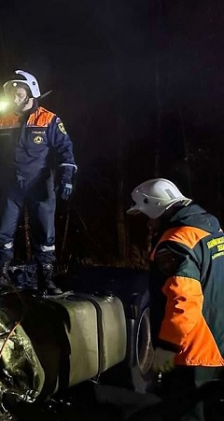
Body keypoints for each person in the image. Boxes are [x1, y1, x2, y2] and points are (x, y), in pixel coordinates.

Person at [127, 178, 224, 420]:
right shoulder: (210, 227)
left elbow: (183, 300)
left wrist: (167, 348)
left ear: (155, 207)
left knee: (188, 412)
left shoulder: (174, 243)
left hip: (193, 351)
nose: (149, 220)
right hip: (219, 338)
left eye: (146, 213)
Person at [0, 70, 76, 294]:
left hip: (40, 183)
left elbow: (65, 150)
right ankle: (2, 275)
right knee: (3, 231)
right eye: (12, 93)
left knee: (45, 233)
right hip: (11, 184)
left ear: (31, 93)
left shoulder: (49, 119)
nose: (14, 97)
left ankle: (46, 278)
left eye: (19, 92)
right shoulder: (4, 119)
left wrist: (67, 178)